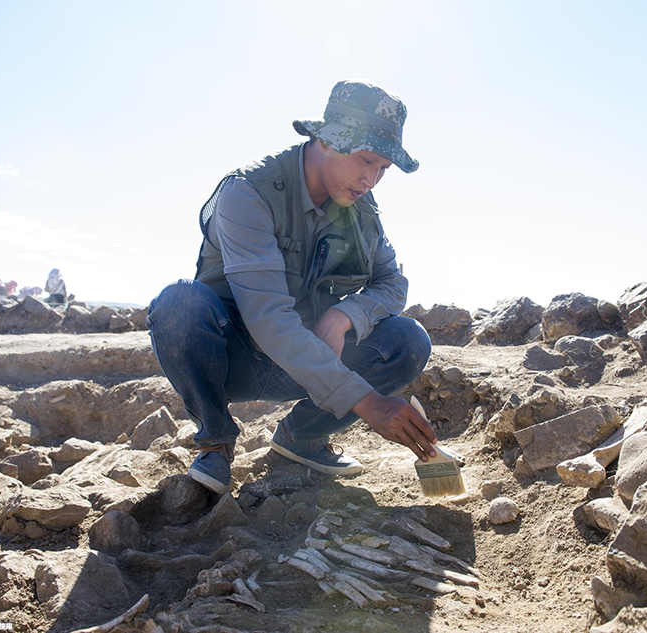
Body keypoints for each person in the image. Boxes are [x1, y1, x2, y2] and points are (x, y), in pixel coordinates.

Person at [148, 80, 436, 495]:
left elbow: (392, 282)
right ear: (328, 141)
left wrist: (344, 315)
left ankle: (302, 437)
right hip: (233, 358)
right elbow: (268, 319)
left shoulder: (360, 209)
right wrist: (368, 402)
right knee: (178, 304)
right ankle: (216, 441)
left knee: (408, 340)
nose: (371, 179)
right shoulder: (247, 192)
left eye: (383, 169)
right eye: (366, 160)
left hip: (312, 361)